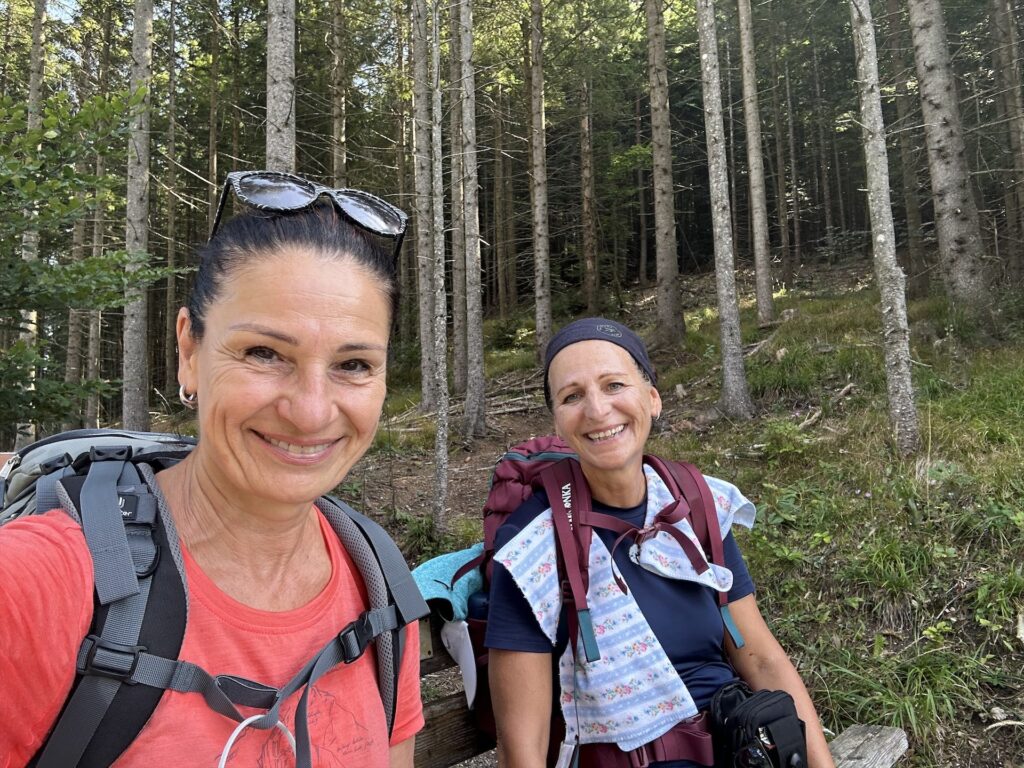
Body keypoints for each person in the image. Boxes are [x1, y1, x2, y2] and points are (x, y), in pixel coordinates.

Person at [0, 171, 422, 767]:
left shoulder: (376, 576)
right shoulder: (37, 583)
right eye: (264, 353)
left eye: (353, 364)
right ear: (189, 352)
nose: (310, 410)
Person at [485, 317, 835, 768]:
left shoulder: (697, 503)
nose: (596, 410)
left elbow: (763, 660)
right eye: (572, 396)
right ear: (558, 420)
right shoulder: (533, 544)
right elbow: (523, 748)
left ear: (652, 399)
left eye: (614, 385)